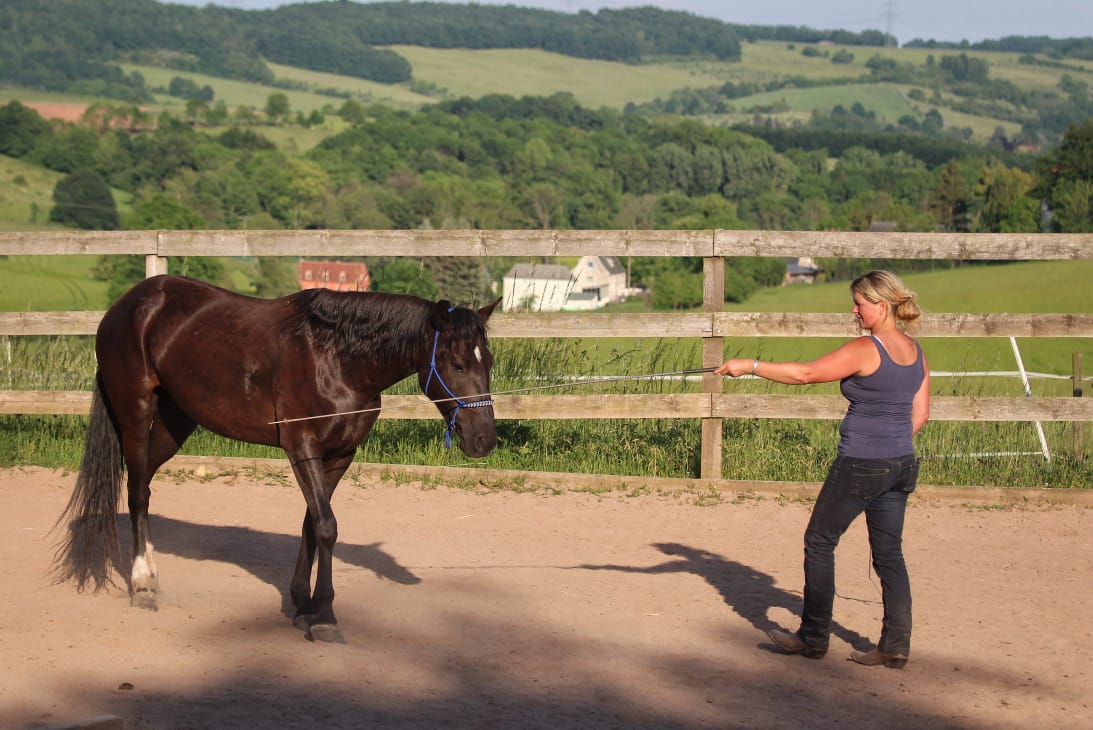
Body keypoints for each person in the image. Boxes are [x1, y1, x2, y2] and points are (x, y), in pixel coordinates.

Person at [714, 269, 930, 669]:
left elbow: (806, 374)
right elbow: (920, 414)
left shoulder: (868, 349)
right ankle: (895, 644)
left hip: (861, 463)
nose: (854, 310)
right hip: (900, 464)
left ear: (881, 306)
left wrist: (751, 364)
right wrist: (890, 444)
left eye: (860, 304)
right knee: (889, 555)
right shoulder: (916, 353)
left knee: (819, 541)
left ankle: (813, 637)